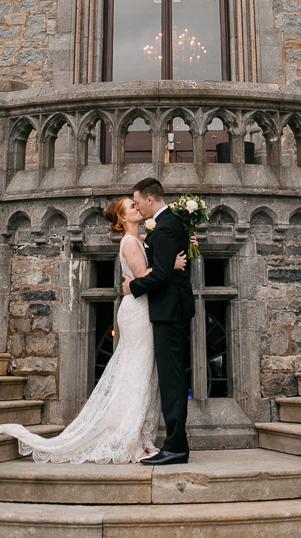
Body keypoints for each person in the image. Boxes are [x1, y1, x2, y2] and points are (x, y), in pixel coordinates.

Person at [0, 194, 185, 463]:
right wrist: (171, 265)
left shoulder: (142, 239)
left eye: (135, 203)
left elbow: (153, 264)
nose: (137, 207)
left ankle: (143, 435)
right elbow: (144, 277)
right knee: (136, 371)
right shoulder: (130, 242)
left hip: (145, 310)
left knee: (143, 373)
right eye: (132, 206)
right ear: (122, 218)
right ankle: (129, 440)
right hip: (138, 312)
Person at [128, 175, 193, 465]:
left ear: (150, 199)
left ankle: (176, 447)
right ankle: (175, 444)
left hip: (169, 311)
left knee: (172, 382)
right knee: (172, 380)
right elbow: (168, 266)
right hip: (171, 310)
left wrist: (133, 287)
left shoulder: (165, 227)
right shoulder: (169, 224)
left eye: (139, 201)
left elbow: (162, 275)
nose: (138, 206)